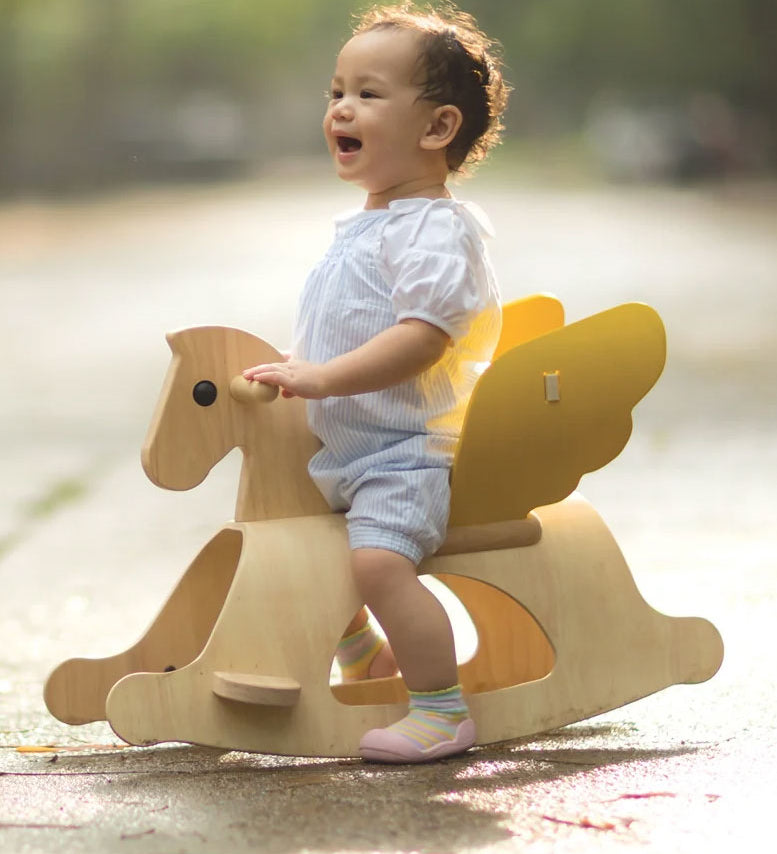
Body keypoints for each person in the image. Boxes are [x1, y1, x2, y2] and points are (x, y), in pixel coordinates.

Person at [242, 2, 509, 763]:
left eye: (367, 93)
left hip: (407, 452)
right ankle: (361, 655)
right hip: (350, 450)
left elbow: (422, 339)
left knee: (376, 564)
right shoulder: (371, 223)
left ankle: (439, 709)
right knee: (299, 545)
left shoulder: (433, 228)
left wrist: (321, 377)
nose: (341, 109)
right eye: (335, 93)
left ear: (435, 129)